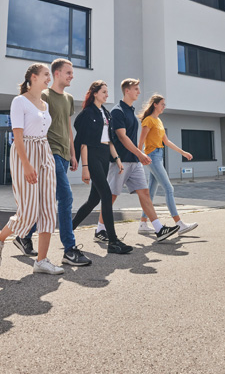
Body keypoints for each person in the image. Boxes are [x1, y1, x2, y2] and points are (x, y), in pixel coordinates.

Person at [13, 59, 92, 267]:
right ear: (57, 73)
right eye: (68, 72)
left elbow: (67, 128)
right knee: (65, 197)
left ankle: (23, 235)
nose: (72, 76)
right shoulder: (44, 95)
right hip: (50, 153)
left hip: (64, 155)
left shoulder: (68, 98)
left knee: (46, 201)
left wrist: (73, 154)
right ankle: (69, 249)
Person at [0, 63, 64, 275]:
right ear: (33, 77)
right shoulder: (19, 101)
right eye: (46, 75)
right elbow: (18, 136)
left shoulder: (44, 104)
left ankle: (42, 261)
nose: (49, 78)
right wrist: (27, 164)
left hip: (44, 152)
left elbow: (44, 132)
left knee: (49, 209)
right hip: (26, 153)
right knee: (28, 211)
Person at [94, 79, 179, 243]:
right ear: (127, 91)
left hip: (134, 161)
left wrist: (138, 156)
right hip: (121, 161)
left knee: (145, 193)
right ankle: (100, 229)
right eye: (136, 89)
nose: (139, 92)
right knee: (111, 196)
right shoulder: (118, 111)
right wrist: (140, 153)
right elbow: (122, 137)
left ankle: (159, 229)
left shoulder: (130, 111)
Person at [70, 81, 133, 255]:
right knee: (106, 194)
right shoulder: (87, 114)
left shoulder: (106, 113)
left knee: (93, 200)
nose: (107, 95)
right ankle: (113, 241)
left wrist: (117, 159)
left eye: (107, 92)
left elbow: (110, 140)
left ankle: (69, 229)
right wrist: (85, 167)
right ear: (95, 93)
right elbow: (83, 142)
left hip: (105, 155)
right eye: (104, 92)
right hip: (92, 155)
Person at [137, 94, 198, 236]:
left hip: (159, 156)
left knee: (150, 192)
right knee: (169, 188)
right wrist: (140, 155)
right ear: (155, 104)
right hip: (152, 157)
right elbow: (141, 141)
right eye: (162, 104)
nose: (164, 106)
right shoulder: (148, 120)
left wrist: (183, 152)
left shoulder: (158, 121)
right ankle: (179, 224)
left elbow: (167, 141)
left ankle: (143, 223)